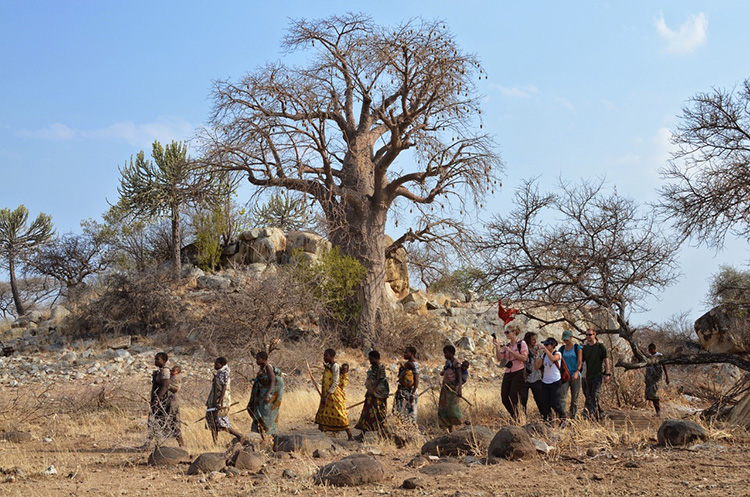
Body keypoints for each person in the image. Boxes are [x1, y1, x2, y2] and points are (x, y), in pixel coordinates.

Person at [143, 352, 182, 448]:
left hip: (167, 401)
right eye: (155, 359)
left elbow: (165, 386)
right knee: (154, 421)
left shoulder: (165, 372)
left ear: (164, 361)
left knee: (173, 423)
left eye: (157, 359)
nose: (155, 361)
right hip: (162, 400)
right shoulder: (160, 371)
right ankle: (148, 444)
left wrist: (157, 399)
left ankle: (182, 445)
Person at [314, 349, 353, 440]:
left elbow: (336, 382)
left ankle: (350, 435)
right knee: (323, 413)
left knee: (340, 414)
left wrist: (327, 394)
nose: (324, 358)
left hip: (334, 395)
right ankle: (320, 434)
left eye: (326, 356)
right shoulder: (328, 366)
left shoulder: (335, 367)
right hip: (327, 395)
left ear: (332, 357)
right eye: (324, 356)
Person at [206, 357, 245, 445]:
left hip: (221, 401)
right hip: (213, 401)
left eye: (216, 364)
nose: (214, 365)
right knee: (212, 422)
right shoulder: (220, 373)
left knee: (222, 422)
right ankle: (215, 443)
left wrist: (219, 402)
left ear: (222, 364)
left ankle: (239, 436)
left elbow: (224, 388)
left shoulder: (224, 373)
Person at [247, 351, 285, 439]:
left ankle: (271, 435)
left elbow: (272, 380)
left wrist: (267, 395)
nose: (256, 361)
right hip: (261, 396)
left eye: (258, 359)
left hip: (266, 396)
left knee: (266, 416)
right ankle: (265, 435)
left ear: (263, 359)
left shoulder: (268, 367)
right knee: (252, 410)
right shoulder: (262, 368)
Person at [495, 325, 529, 421]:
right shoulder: (508, 345)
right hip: (508, 371)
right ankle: (514, 416)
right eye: (505, 332)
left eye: (508, 332)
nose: (506, 334)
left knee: (513, 396)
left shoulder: (521, 344)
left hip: (518, 371)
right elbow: (500, 358)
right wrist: (497, 347)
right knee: (504, 397)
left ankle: (517, 418)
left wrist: (511, 351)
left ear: (514, 333)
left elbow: (523, 358)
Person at [355, 350, 390, 436]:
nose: (370, 361)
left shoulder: (381, 367)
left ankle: (382, 434)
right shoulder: (373, 368)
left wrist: (372, 389)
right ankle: (362, 434)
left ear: (376, 358)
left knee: (379, 414)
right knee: (367, 413)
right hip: (372, 394)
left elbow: (380, 379)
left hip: (379, 394)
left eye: (371, 359)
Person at [581, 327, 611, 421]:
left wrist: (607, 373)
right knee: (589, 395)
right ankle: (600, 412)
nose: (588, 336)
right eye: (586, 335)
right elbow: (581, 361)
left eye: (590, 334)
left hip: (597, 375)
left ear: (595, 335)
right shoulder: (585, 348)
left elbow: (606, 360)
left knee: (595, 394)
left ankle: (593, 416)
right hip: (588, 376)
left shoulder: (600, 347)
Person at [536, 337, 567, 423]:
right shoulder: (544, 355)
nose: (545, 346)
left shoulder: (558, 353)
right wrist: (536, 356)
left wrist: (545, 350)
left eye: (547, 344)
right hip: (545, 381)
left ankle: (563, 418)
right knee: (545, 403)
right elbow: (537, 366)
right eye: (544, 344)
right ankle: (548, 421)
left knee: (555, 403)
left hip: (555, 381)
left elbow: (553, 359)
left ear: (552, 345)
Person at [438, 345, 464, 431]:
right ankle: (450, 428)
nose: (445, 355)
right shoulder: (447, 363)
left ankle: (464, 423)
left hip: (453, 388)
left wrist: (459, 389)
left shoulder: (456, 363)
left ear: (452, 353)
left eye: (446, 353)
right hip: (446, 388)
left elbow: (459, 377)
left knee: (453, 409)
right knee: (444, 408)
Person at [559, 330, 583, 419]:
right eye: (564, 339)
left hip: (575, 375)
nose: (566, 341)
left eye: (567, 339)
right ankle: (562, 417)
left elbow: (580, 362)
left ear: (571, 338)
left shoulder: (577, 348)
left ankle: (573, 416)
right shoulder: (561, 349)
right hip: (565, 375)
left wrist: (577, 371)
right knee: (562, 397)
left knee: (575, 397)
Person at [520, 332, 544, 417]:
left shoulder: (538, 349)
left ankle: (545, 417)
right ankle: (522, 417)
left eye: (535, 339)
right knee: (522, 399)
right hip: (525, 378)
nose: (535, 341)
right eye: (533, 339)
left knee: (540, 399)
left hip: (536, 377)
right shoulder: (523, 349)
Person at [394, 346, 420, 424]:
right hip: (402, 391)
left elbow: (416, 380)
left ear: (411, 354)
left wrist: (413, 393)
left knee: (410, 412)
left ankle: (410, 430)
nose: (404, 354)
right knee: (399, 412)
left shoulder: (414, 364)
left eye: (406, 352)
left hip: (410, 391)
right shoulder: (406, 364)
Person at [645, 343, 669, 416]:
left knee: (653, 393)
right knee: (649, 395)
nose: (649, 351)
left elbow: (664, 366)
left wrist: (667, 376)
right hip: (650, 378)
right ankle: (657, 411)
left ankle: (659, 411)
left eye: (651, 350)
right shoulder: (649, 357)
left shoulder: (659, 356)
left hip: (656, 378)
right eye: (649, 350)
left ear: (654, 349)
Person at [166, 364, 185, 447]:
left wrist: (167, 385)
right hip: (168, 400)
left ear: (178, 372)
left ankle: (181, 444)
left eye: (174, 371)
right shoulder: (170, 376)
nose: (172, 372)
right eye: (171, 370)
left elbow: (176, 388)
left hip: (172, 401)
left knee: (174, 422)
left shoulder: (177, 378)